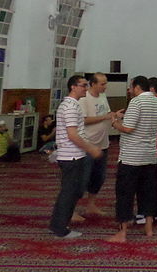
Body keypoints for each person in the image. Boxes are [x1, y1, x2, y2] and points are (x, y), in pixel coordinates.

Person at [107, 75, 157, 243]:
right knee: (147, 192)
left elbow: (128, 128)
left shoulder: (136, 102)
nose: (129, 90)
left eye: (131, 87)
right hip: (149, 155)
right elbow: (156, 125)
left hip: (131, 157)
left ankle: (122, 232)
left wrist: (114, 122)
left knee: (125, 193)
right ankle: (148, 228)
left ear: (137, 87)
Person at [49, 75, 103, 239]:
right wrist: (91, 149)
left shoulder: (72, 105)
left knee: (69, 191)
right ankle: (60, 228)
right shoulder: (71, 107)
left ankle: (58, 224)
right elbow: (72, 135)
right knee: (69, 192)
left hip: (73, 154)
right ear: (73, 87)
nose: (86, 88)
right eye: (83, 85)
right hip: (71, 156)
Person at [80, 72, 122, 217]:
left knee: (99, 177)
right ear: (93, 84)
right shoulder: (84, 98)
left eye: (106, 83)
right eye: (102, 84)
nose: (106, 86)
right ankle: (70, 209)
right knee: (82, 177)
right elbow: (83, 119)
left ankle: (91, 205)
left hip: (103, 143)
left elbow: (107, 112)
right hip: (87, 144)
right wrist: (104, 117)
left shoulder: (103, 97)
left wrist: (114, 115)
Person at [135, 76, 157, 225]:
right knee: (150, 182)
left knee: (147, 182)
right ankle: (152, 212)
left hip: (151, 148)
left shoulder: (156, 103)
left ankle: (148, 213)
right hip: (155, 147)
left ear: (152, 90)